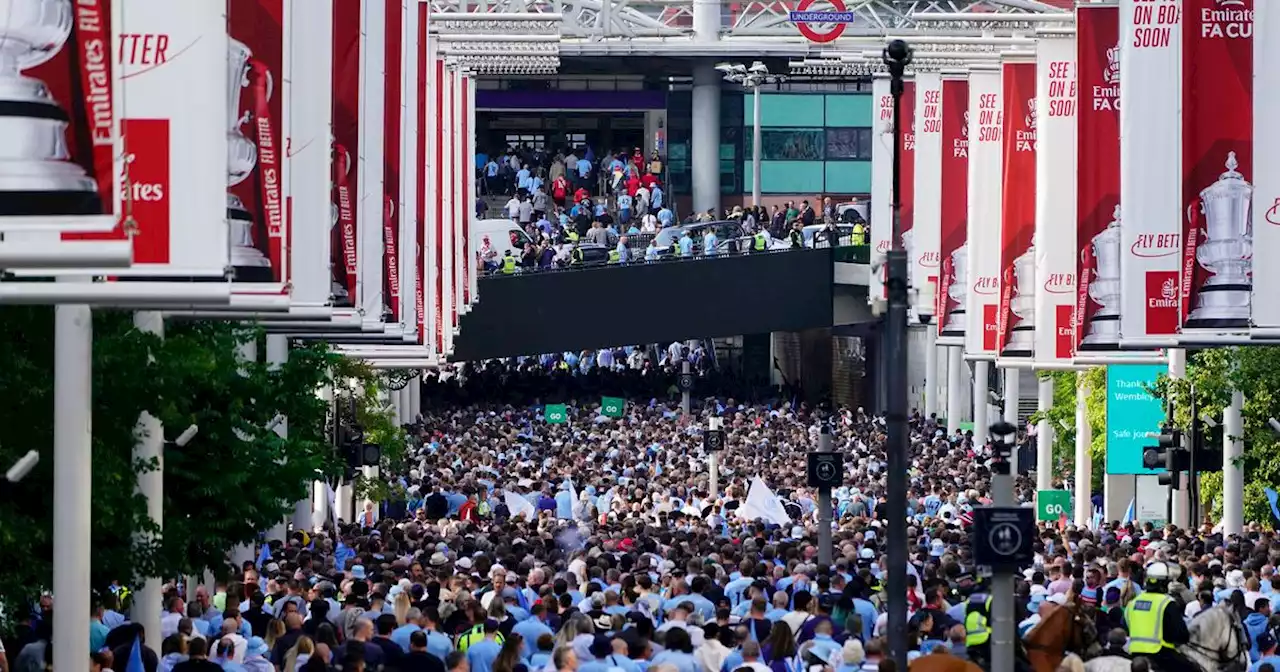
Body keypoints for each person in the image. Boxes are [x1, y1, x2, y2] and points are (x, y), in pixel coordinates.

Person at [1125, 561, 1194, 672]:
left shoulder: (1133, 603)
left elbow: (1126, 626)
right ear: (1164, 583)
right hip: (1161, 654)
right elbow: (1181, 635)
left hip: (1134, 654)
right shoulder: (1167, 602)